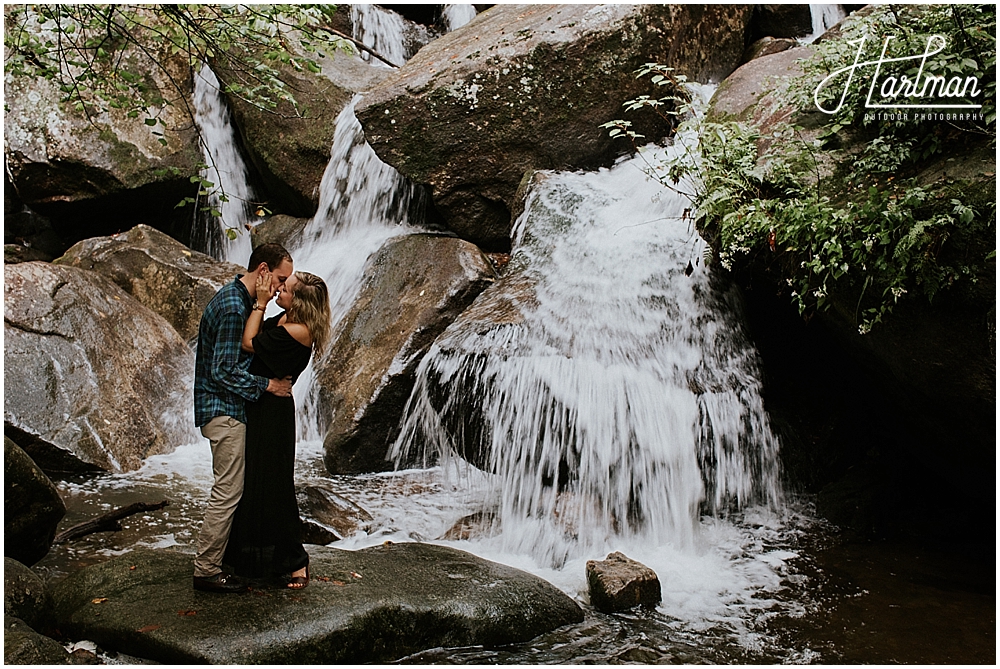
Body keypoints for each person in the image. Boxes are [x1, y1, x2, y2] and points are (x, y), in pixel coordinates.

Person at [192, 243, 294, 594]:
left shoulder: (238, 298)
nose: (282, 287)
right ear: (263, 270)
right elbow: (222, 371)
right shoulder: (236, 306)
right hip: (224, 409)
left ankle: (219, 561)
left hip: (223, 408)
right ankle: (206, 570)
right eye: (280, 279)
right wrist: (269, 385)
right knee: (228, 491)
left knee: (229, 489)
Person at [223, 269, 331, 589]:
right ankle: (250, 558)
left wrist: (259, 303)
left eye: (286, 287)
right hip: (261, 404)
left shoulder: (299, 330)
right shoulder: (286, 320)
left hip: (273, 414)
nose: (279, 288)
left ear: (298, 301)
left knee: (275, 484)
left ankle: (296, 562)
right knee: (253, 481)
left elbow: (248, 342)